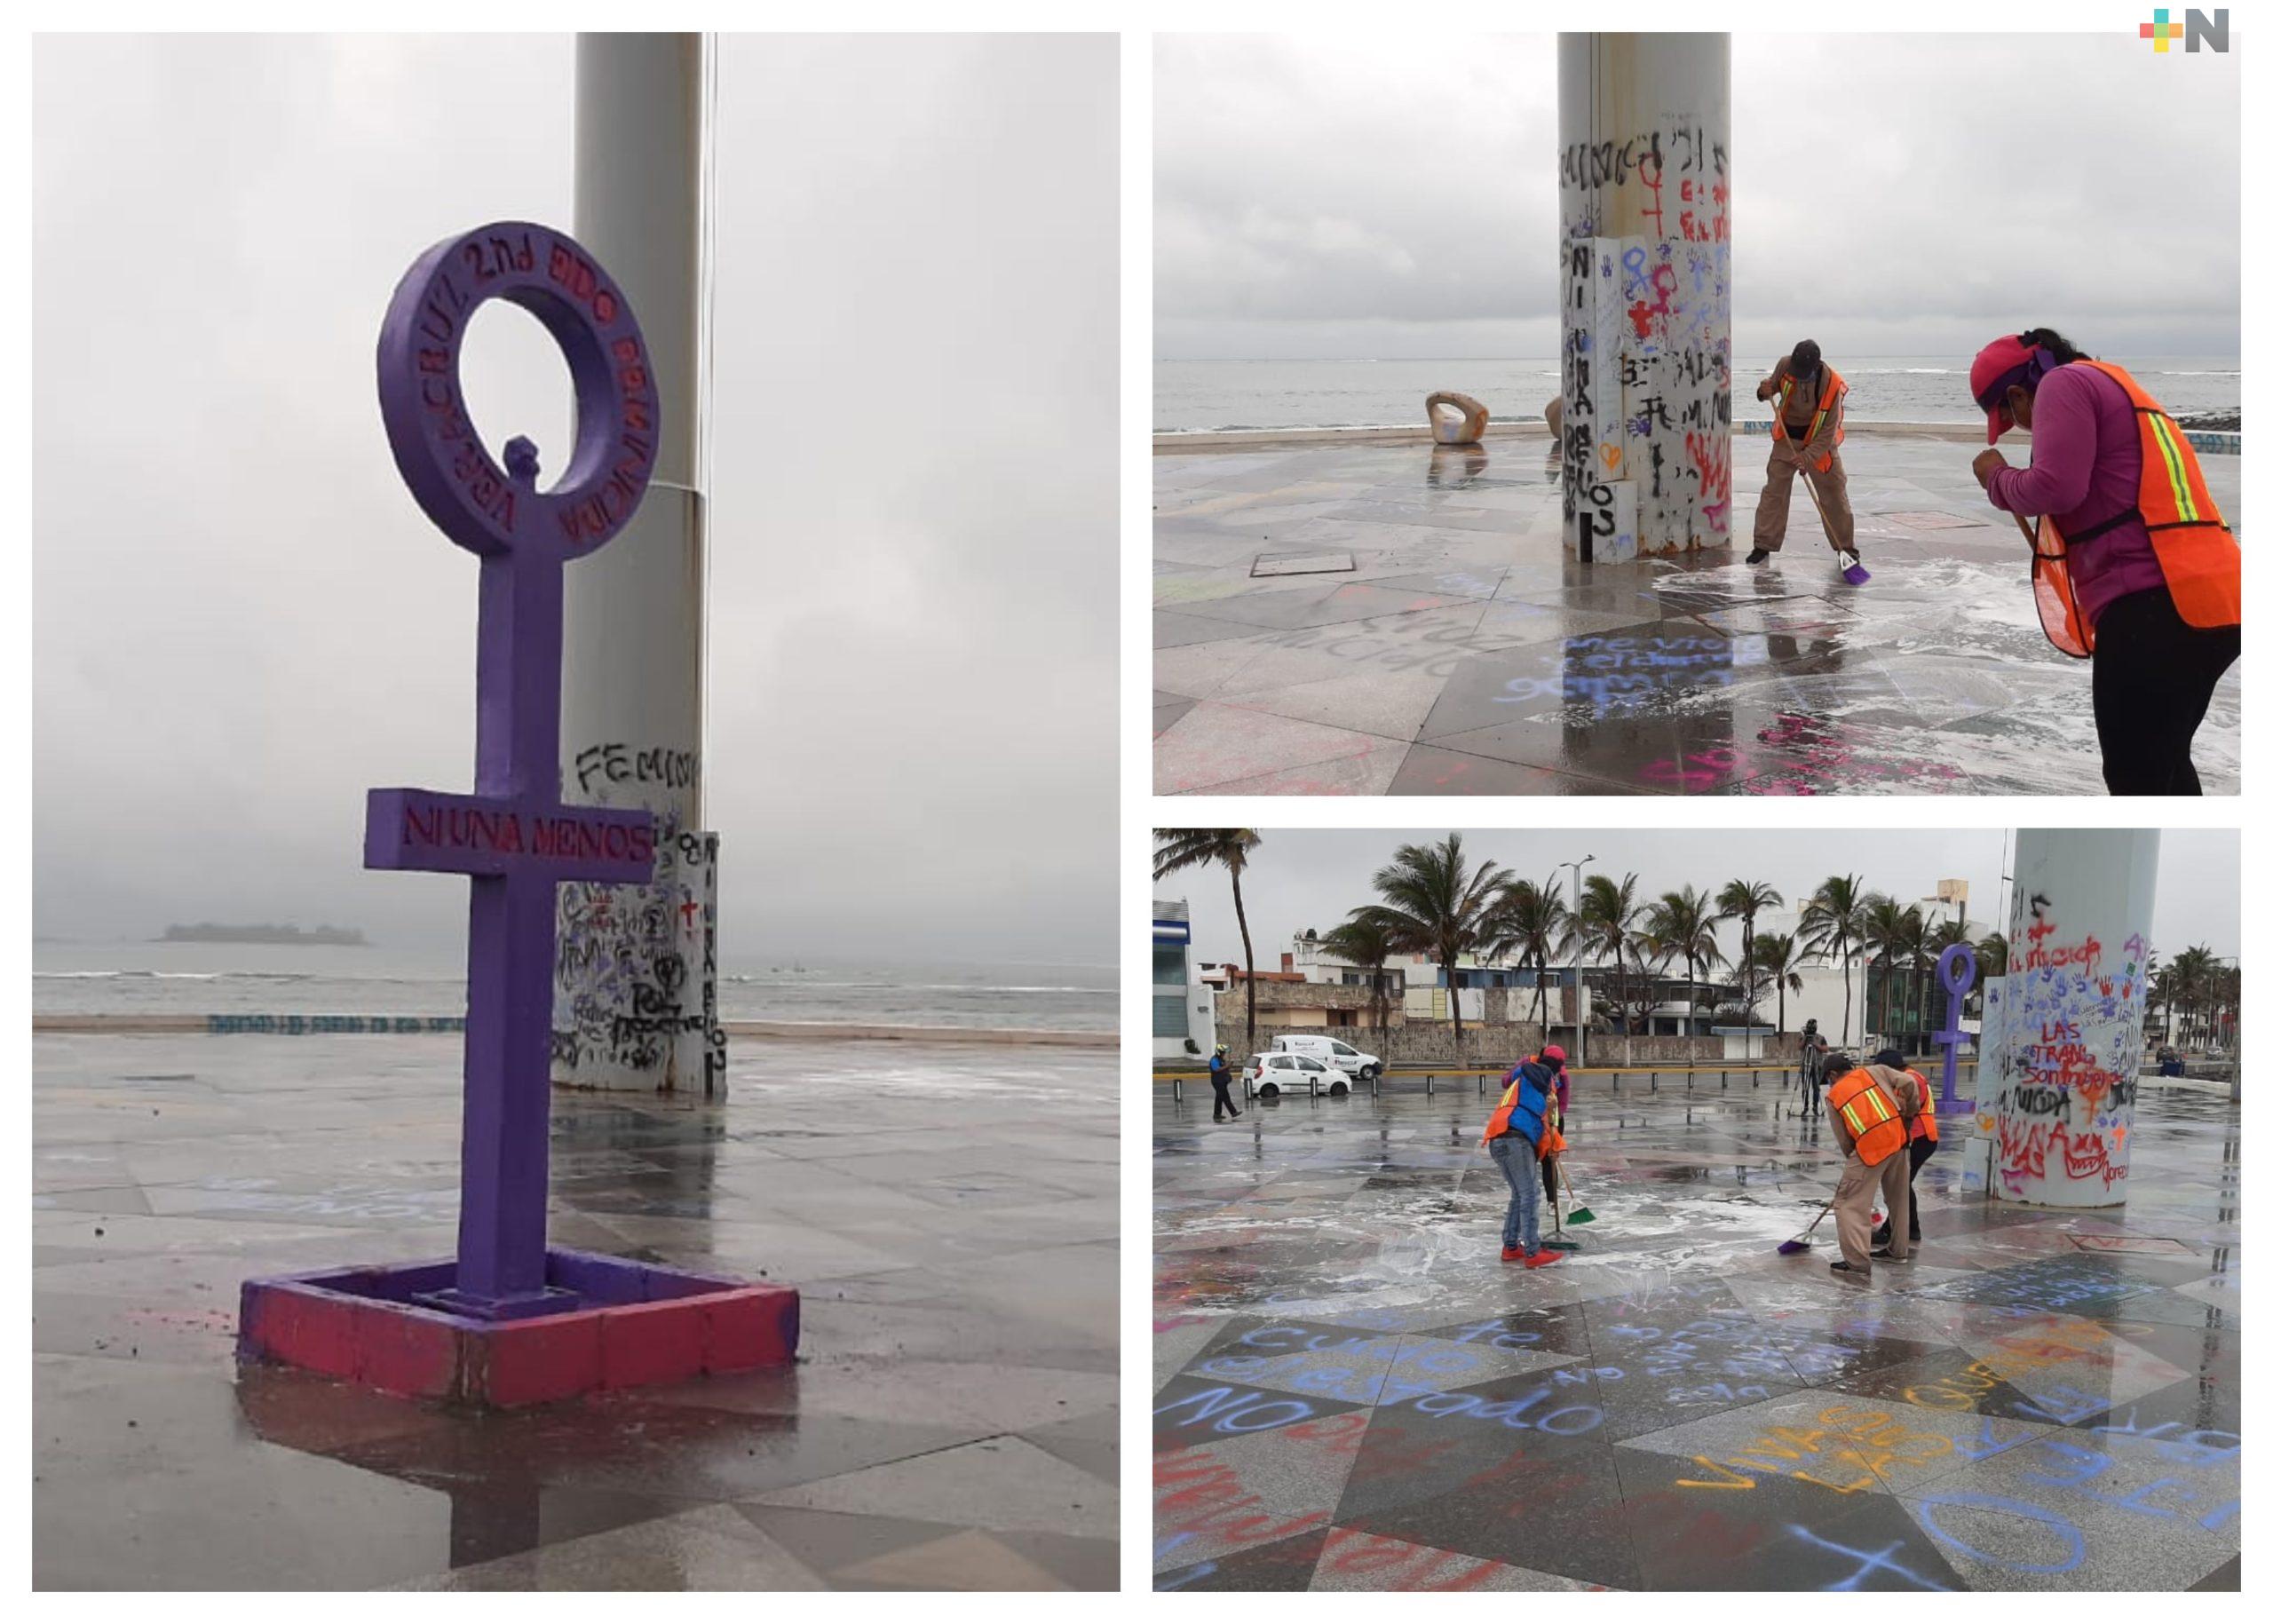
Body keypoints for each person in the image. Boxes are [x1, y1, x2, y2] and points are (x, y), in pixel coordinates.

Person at [1968, 329, 2240, 795]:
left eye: (2011, 416)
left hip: (2155, 604)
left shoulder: (2062, 383)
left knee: (2135, 775)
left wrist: (1997, 477)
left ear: (2017, 393)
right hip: (2215, 598)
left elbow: (2055, 488)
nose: (2021, 427)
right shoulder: (2115, 381)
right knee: (2164, 760)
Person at [1747, 340, 1867, 583]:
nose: (1799, 377)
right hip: (1787, 438)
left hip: (1819, 442)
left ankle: (1846, 549)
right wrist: (1763, 391)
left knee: (1834, 491)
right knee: (1774, 491)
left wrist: (1807, 457)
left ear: (1816, 366)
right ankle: (1763, 545)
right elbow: (1769, 390)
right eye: (1797, 372)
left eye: (1804, 374)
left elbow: (1828, 433)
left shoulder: (1831, 385)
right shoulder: (1785, 365)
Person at [1823, 1050, 1921, 1276]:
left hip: (1870, 1148)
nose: (1829, 1083)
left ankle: (1857, 1263)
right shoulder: (1876, 1071)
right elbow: (1910, 1082)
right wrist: (1909, 1113)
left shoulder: (1834, 1095)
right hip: (1898, 1139)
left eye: (1828, 1079)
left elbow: (1844, 1139)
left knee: (1848, 1203)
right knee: (1899, 1198)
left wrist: (1853, 1170)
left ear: (1833, 1074)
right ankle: (1899, 1252)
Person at [1483, 1045, 1565, 1268]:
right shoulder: (1546, 1082)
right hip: (1516, 1140)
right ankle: (1532, 1251)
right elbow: (1547, 1124)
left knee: (1519, 1195)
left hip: (1497, 1137)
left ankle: (1511, 1247)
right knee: (1530, 1194)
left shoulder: (1521, 1078)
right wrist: (1554, 1147)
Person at [1870, 1050, 1936, 1256]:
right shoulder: (1906, 1077)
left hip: (1919, 1137)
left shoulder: (1910, 1080)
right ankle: (1911, 1229)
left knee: (1899, 1187)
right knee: (1904, 1185)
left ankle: (1892, 1231)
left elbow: (1905, 1109)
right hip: (1917, 1137)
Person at [1798, 1021, 1829, 1117]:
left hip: (1816, 1066)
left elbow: (1826, 1049)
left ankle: (1815, 1107)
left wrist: (1816, 1045)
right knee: (1805, 1087)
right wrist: (1805, 1038)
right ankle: (1805, 1107)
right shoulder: (1803, 1037)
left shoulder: (1820, 1038)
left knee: (1816, 1088)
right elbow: (1800, 1047)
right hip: (1806, 1065)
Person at [1208, 1043, 1239, 1123]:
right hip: (1217, 1081)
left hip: (1222, 1081)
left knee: (1219, 1098)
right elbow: (1216, 1069)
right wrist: (1227, 1066)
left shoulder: (1221, 1060)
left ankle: (1217, 1114)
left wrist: (1230, 1065)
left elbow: (1225, 1068)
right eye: (1223, 1052)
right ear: (1219, 1052)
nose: (1224, 1054)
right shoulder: (1214, 1060)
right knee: (1225, 1096)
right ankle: (1233, 1112)